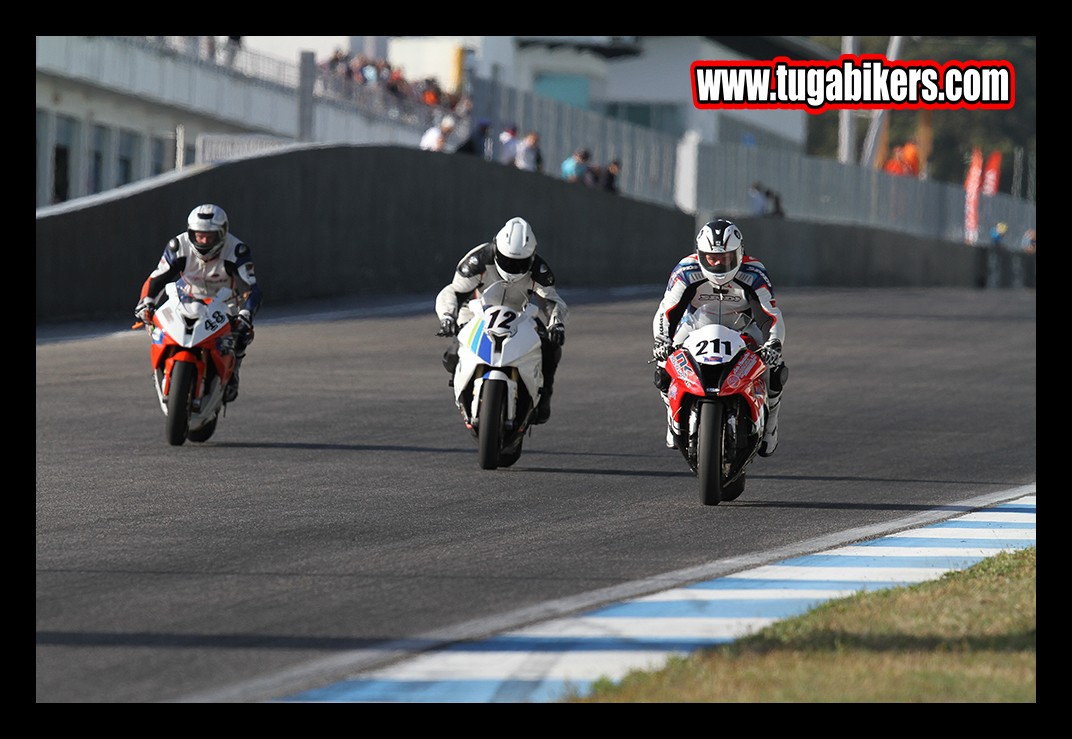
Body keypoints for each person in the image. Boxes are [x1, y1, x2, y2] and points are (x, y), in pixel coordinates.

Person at [652, 218, 786, 456]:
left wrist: (773, 344)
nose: (718, 264)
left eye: (725, 258)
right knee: (663, 365)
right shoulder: (685, 271)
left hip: (744, 327)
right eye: (711, 258)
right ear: (700, 254)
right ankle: (671, 421)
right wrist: (662, 342)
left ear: (739, 253)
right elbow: (667, 310)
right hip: (696, 325)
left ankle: (771, 425)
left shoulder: (754, 272)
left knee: (774, 369)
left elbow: (769, 315)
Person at [434, 216, 569, 424]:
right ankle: (463, 389)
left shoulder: (539, 270)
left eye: (519, 263)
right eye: (507, 261)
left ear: (531, 257)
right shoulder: (477, 260)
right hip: (477, 313)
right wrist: (447, 316)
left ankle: (545, 395)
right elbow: (453, 292)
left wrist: (556, 323)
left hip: (520, 316)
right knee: (450, 356)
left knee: (550, 347)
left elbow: (550, 301)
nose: (512, 268)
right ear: (496, 249)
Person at [134, 204, 262, 404]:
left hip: (224, 303)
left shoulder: (237, 251)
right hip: (185, 298)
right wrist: (146, 302)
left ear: (223, 233)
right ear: (190, 232)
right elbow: (156, 279)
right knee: (155, 324)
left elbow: (251, 288)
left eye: (210, 237)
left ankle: (233, 372)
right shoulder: (178, 246)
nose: (203, 241)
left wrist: (246, 314)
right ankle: (162, 368)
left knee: (242, 333)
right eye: (199, 236)